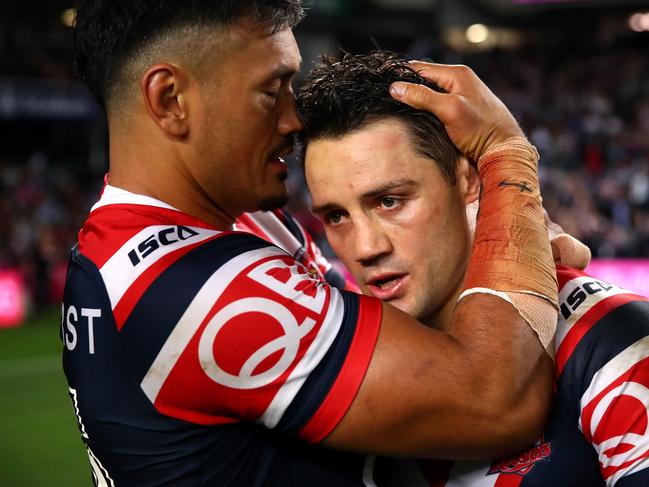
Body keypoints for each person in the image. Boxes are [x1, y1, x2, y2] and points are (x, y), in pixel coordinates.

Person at [62, 1, 558, 484]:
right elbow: (496, 400)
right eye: (271, 88)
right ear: (170, 99)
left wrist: (510, 247)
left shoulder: (207, 235)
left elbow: (380, 310)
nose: (293, 119)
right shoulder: (192, 293)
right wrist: (505, 152)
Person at [297, 51, 649, 486]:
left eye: (390, 201)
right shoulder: (338, 358)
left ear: (467, 180)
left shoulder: (614, 341)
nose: (366, 248)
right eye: (336, 216)